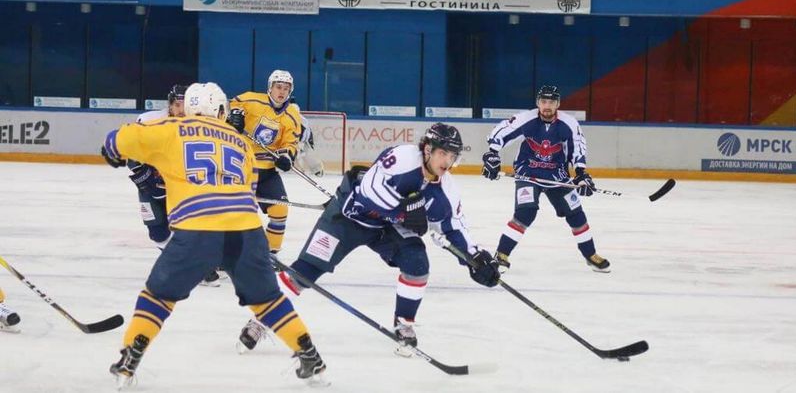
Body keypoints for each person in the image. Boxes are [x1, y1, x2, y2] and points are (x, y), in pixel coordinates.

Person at [100, 82, 327, 389]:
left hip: (197, 229)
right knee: (268, 300)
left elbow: (118, 140)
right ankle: (309, 355)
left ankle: (130, 357)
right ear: (221, 110)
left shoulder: (171, 128)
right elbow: (250, 187)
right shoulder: (240, 141)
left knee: (158, 296)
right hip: (247, 230)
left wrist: (111, 150)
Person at [237, 123, 501, 356]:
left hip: (386, 228)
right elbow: (369, 191)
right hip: (348, 216)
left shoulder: (446, 189)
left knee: (417, 264)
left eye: (452, 156)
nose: (447, 161)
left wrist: (473, 258)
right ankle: (262, 319)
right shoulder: (403, 157)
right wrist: (404, 212)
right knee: (305, 272)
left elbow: (453, 227)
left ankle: (404, 323)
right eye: (443, 153)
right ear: (428, 149)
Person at [481, 85, 610, 273]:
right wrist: (492, 154)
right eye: (543, 101)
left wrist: (581, 174)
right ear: (537, 103)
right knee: (526, 212)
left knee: (576, 215)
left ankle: (590, 255)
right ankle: (501, 255)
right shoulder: (526, 118)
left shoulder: (569, 123)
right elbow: (501, 132)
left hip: (557, 176)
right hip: (528, 172)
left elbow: (578, 147)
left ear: (558, 104)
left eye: (551, 102)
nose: (547, 106)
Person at [129, 85, 223, 287]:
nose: (181, 110)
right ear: (169, 104)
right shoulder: (149, 121)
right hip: (152, 187)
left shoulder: (198, 127)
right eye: (177, 104)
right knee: (157, 232)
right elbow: (132, 153)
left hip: (183, 189)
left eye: (185, 105)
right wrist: (144, 178)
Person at [227, 69, 301, 255]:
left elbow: (290, 142)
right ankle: (226, 255)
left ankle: (270, 256)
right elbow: (229, 106)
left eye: (285, 88)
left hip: (267, 171)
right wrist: (235, 116)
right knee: (236, 214)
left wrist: (286, 156)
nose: (281, 91)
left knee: (280, 209)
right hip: (241, 168)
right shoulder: (251, 100)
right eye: (278, 86)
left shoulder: (292, 114)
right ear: (270, 87)